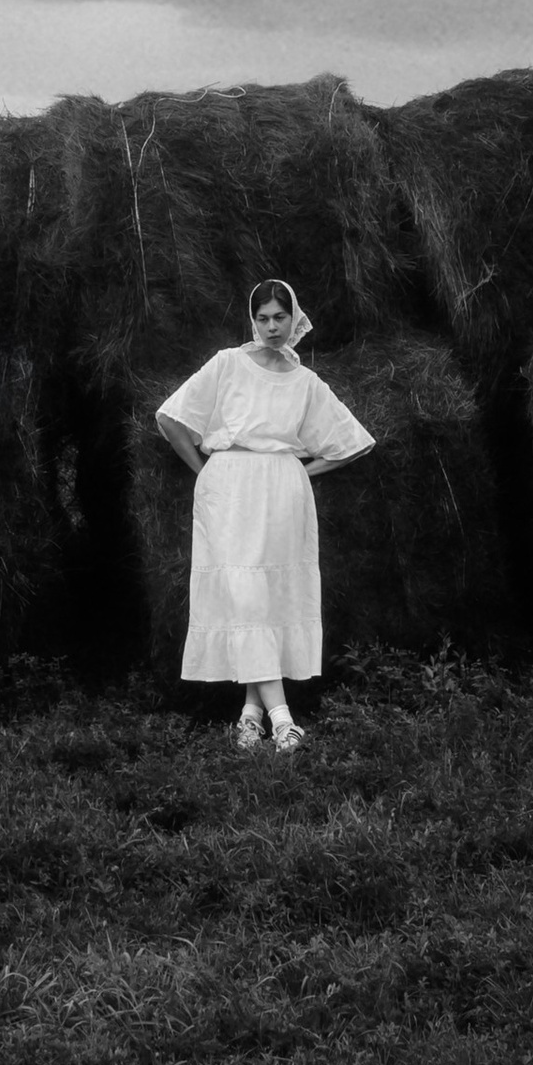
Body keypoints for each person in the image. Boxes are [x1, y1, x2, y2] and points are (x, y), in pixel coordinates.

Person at [154, 278, 374, 750]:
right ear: (252, 321)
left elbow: (353, 443)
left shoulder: (305, 382)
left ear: (295, 318)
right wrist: (204, 470)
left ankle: (250, 715)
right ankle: (282, 720)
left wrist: (298, 470)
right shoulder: (228, 364)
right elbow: (170, 418)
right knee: (245, 596)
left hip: (282, 495)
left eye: (280, 317)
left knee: (269, 598)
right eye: (263, 318)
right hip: (229, 490)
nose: (273, 327)